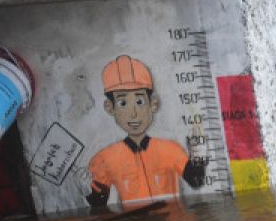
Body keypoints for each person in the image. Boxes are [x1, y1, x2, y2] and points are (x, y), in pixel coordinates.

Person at [86, 55, 206, 206]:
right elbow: (97, 204)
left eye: (139, 101)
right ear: (110, 108)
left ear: (153, 104)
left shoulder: (170, 150)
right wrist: (82, 182)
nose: (133, 113)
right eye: (123, 103)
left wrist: (198, 150)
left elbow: (196, 181)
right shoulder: (105, 159)